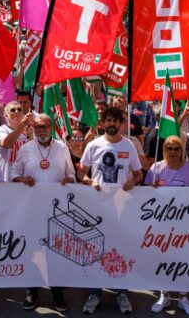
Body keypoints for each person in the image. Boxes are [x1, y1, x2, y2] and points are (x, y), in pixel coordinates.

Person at [79, 106, 143, 315]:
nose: (112, 124)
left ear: (121, 123)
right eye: (108, 120)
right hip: (97, 209)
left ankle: (121, 291)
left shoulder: (129, 146)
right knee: (95, 249)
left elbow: (139, 174)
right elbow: (81, 173)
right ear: (103, 123)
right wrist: (89, 182)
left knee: (119, 249)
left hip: (121, 210)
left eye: (116, 121)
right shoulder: (93, 145)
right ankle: (95, 293)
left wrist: (132, 182)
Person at [12, 114, 75, 312]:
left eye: (45, 126)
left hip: (57, 211)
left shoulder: (62, 148)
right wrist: (21, 180)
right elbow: (14, 173)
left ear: (51, 127)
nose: (42, 130)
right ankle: (32, 291)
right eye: (38, 127)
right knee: (33, 251)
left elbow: (71, 173)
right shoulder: (25, 148)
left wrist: (69, 180)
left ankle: (57, 292)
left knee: (56, 251)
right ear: (32, 128)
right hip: (32, 209)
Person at [147, 136, 189, 316]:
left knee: (183, 260)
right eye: (169, 148)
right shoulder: (156, 169)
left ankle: (183, 297)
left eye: (177, 148)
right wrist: (150, 188)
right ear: (164, 150)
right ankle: (164, 294)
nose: (173, 152)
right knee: (163, 259)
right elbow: (144, 197)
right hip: (161, 226)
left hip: (184, 226)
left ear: (182, 150)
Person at [0, 103, 31, 182]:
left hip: (25, 181)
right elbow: (6, 144)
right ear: (6, 115)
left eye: (19, 109)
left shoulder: (30, 131)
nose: (16, 112)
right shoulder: (1, 130)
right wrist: (23, 125)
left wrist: (32, 138)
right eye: (13, 110)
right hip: (6, 182)